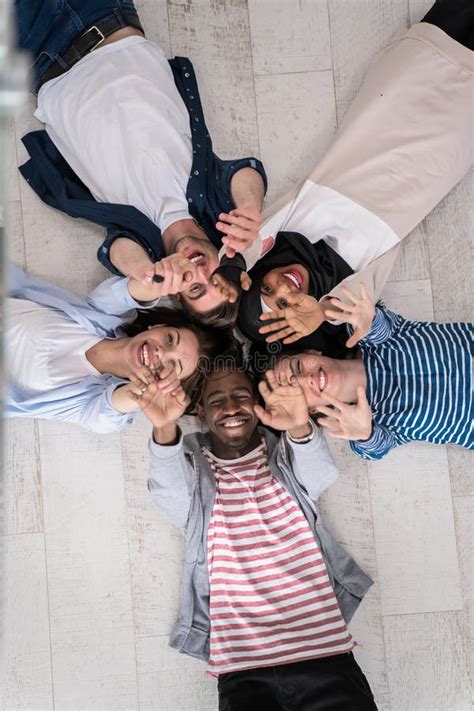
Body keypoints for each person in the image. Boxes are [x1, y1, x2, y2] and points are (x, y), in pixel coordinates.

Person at [235, 0, 473, 356]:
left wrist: (229, 269)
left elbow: (239, 249)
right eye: (286, 306)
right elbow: (348, 309)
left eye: (267, 290)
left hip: (400, 93)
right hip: (450, 135)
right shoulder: (351, 284)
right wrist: (323, 313)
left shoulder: (285, 226)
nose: (284, 289)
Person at [137, 362, 376, 710]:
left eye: (241, 396)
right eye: (216, 400)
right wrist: (164, 427)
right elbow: (168, 493)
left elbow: (320, 475)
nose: (231, 407)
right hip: (243, 672)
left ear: (257, 405)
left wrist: (298, 425)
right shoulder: (195, 475)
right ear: (200, 411)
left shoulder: (281, 456)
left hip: (324, 657)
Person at [14, 0, 267, 327]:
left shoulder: (140, 245)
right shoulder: (217, 208)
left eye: (194, 288)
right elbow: (248, 172)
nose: (199, 272)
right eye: (214, 279)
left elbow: (114, 252)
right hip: (105, 18)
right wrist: (250, 209)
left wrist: (149, 276)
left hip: (40, 58)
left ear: (176, 292)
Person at [5, 264, 231, 433]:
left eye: (172, 365)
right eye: (170, 339)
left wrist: (145, 393)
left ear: (167, 385)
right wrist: (169, 277)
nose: (161, 352)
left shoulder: (92, 403)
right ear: (159, 326)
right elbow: (137, 288)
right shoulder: (104, 314)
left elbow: (109, 411)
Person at [273, 284, 473, 461]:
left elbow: (372, 324)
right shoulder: (371, 424)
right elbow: (376, 447)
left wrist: (365, 317)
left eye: (298, 367)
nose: (306, 378)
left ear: (312, 352)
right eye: (295, 390)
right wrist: (365, 434)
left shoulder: (377, 339)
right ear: (312, 410)